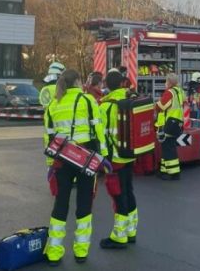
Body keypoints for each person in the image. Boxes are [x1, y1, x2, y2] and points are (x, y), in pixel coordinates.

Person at [44, 69, 108, 266]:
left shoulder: (53, 104)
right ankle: (81, 251)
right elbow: (98, 130)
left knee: (60, 203)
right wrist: (103, 157)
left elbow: (49, 137)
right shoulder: (87, 100)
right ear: (79, 82)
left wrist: (50, 165)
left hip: (62, 159)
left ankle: (54, 252)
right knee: (84, 203)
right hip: (85, 158)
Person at [99, 71, 139, 249]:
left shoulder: (105, 106)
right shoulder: (130, 100)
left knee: (118, 195)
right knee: (128, 190)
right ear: (122, 83)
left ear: (107, 85)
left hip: (114, 158)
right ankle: (131, 231)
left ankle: (119, 236)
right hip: (130, 154)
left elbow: (101, 135)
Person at [154, 73, 185, 180]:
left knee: (168, 148)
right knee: (167, 147)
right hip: (177, 123)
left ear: (170, 82)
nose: (165, 83)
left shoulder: (169, 93)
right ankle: (164, 170)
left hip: (168, 123)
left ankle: (174, 173)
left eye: (166, 81)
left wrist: (156, 103)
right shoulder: (180, 91)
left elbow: (161, 106)